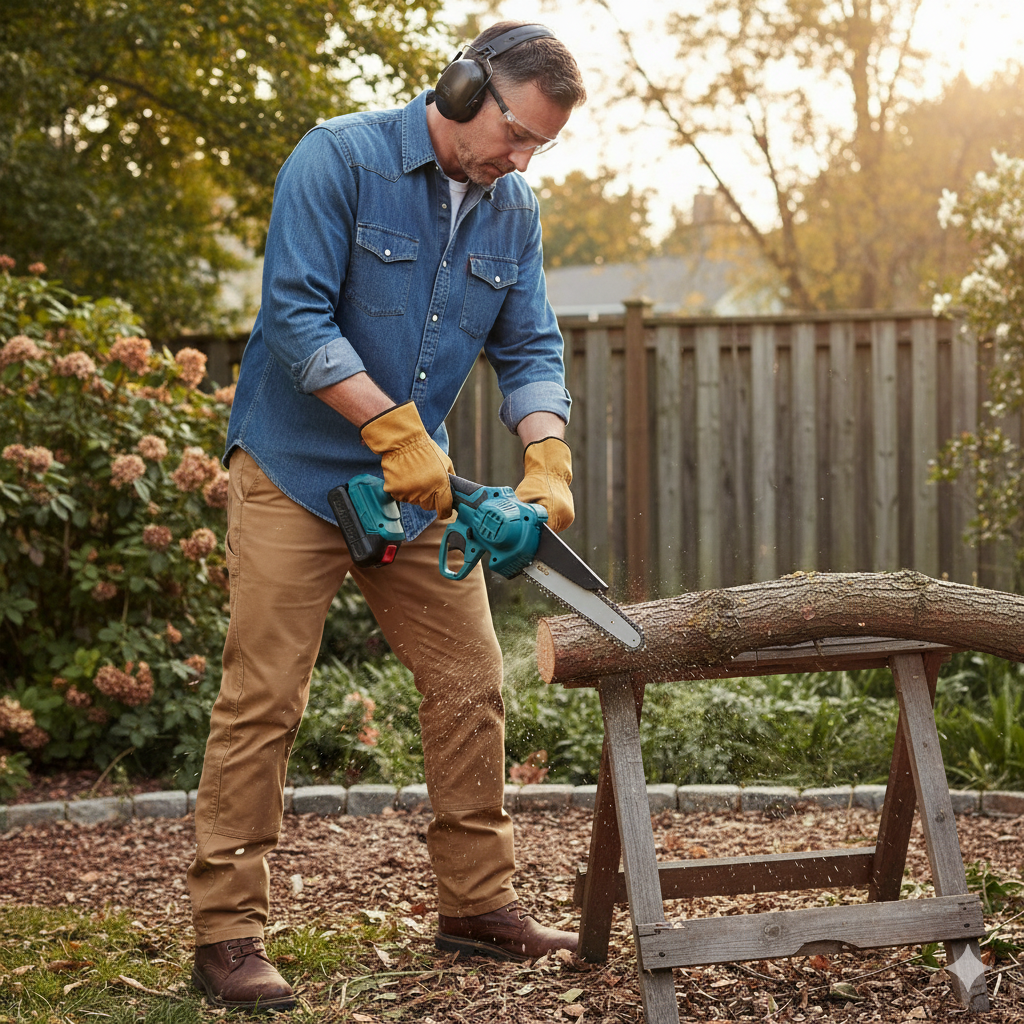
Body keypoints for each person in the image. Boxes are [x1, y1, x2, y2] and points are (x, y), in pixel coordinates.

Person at [186, 21, 588, 1012]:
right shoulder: (340, 159)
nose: (521, 157)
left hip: (410, 491)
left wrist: (545, 454)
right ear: (460, 89)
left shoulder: (514, 212)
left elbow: (530, 346)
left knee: (469, 681)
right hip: (294, 470)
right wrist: (397, 432)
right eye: (516, 132)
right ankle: (227, 934)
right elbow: (294, 319)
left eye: (540, 145)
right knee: (264, 697)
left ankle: (475, 905)